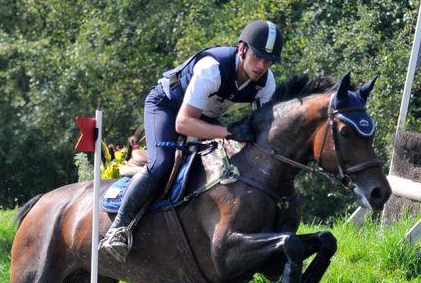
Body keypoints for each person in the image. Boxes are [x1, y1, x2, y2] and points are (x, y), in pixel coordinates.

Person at [99, 19, 284, 262]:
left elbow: (263, 131)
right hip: (167, 107)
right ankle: (118, 230)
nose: (262, 66)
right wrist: (229, 132)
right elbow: (183, 123)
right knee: (162, 163)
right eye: (257, 57)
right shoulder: (213, 68)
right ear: (242, 49)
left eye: (268, 60)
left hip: (205, 115)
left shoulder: (266, 82)